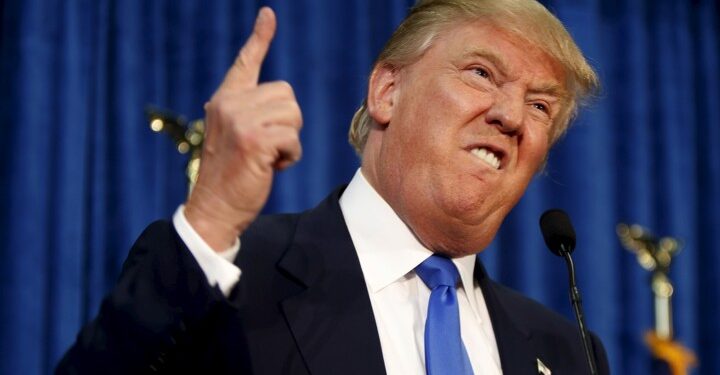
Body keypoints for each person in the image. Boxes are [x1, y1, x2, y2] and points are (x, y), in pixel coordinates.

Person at [57, 0, 609, 374]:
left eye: (541, 106)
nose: (512, 116)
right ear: (387, 92)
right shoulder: (230, 280)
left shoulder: (568, 352)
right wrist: (212, 219)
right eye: (482, 74)